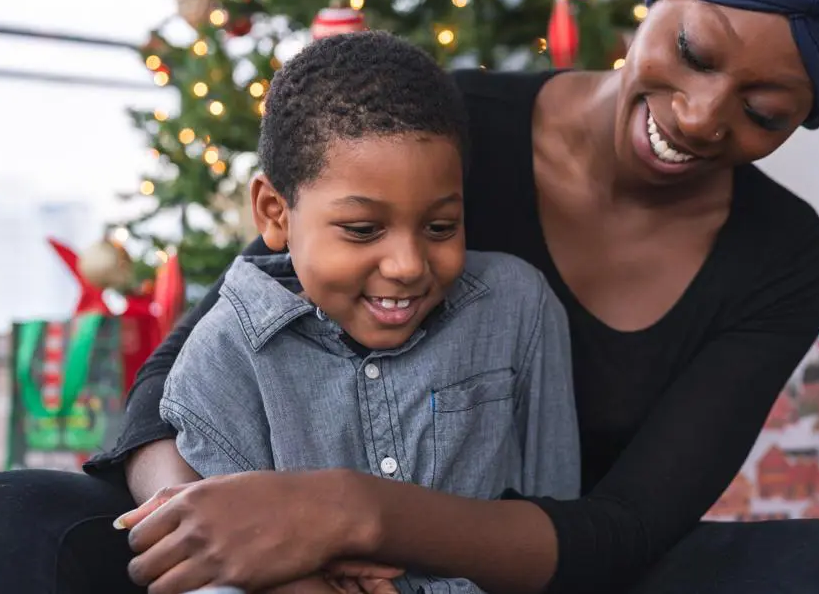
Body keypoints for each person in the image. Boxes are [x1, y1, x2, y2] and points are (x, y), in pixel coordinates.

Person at [0, 0, 819, 593]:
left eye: (765, 111)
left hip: (541, 564)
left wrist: (345, 512)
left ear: (808, 115)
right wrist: (231, 537)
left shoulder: (783, 258)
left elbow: (625, 528)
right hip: (275, 533)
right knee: (13, 517)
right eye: (694, 51)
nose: (698, 115)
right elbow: (174, 376)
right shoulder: (436, 124)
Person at [157, 31, 579, 594]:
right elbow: (221, 566)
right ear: (274, 212)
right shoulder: (222, 360)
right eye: (362, 230)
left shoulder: (516, 308)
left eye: (440, 227)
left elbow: (557, 526)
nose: (407, 266)